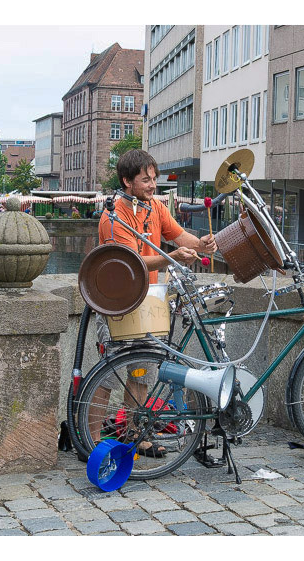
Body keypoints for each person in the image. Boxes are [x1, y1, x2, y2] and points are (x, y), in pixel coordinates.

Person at [92, 149, 216, 456]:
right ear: (127, 181)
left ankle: (135, 436)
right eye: (146, 180)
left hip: (149, 300)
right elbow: (131, 262)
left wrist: (200, 243)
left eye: (154, 178)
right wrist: (170, 258)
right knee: (109, 375)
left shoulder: (155, 208)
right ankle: (91, 443)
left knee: (142, 371)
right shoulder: (114, 216)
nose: (152, 185)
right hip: (117, 302)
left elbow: (178, 234)